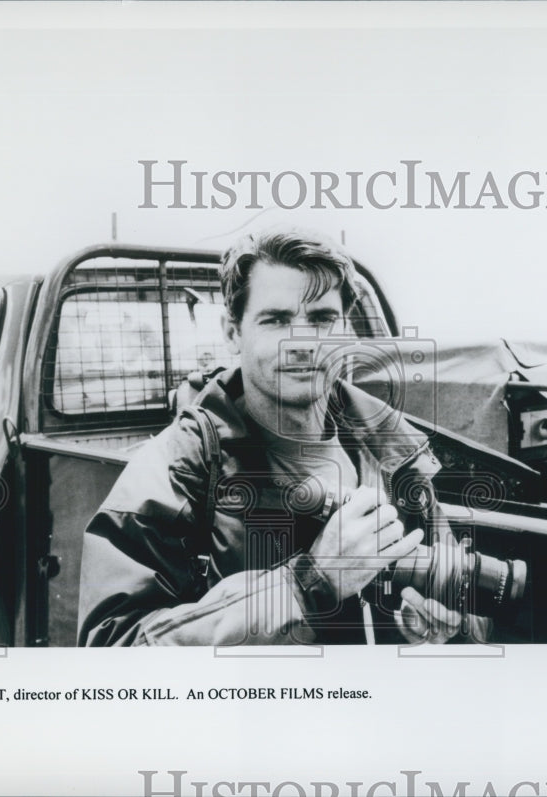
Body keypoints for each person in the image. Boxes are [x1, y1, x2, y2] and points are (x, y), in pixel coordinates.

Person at [77, 228, 501, 646]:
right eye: (277, 320)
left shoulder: (392, 453)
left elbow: (466, 614)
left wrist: (443, 630)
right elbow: (112, 648)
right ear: (231, 332)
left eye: (321, 319)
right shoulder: (181, 469)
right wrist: (310, 582)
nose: (303, 343)